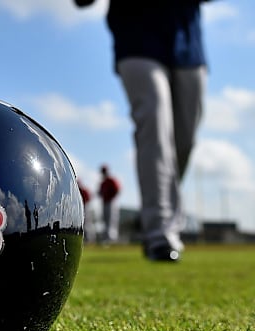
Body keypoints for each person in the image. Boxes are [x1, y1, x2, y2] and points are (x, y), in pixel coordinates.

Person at [73, 0, 210, 261]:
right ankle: (160, 233)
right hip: (137, 37)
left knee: (185, 139)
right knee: (155, 126)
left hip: (187, 41)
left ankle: (160, 210)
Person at [98, 165, 121, 243]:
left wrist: (111, 198)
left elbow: (117, 190)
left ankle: (112, 239)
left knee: (111, 220)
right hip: (105, 202)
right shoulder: (103, 182)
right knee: (105, 220)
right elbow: (99, 192)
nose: (103, 173)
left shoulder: (111, 180)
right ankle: (107, 238)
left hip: (111, 202)